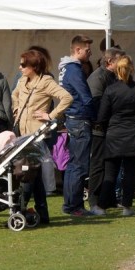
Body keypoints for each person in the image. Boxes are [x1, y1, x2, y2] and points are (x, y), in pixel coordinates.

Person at [12, 49, 73, 223]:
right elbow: (14, 94)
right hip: (23, 134)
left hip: (37, 136)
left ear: (34, 66)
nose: (20, 67)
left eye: (24, 65)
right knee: (35, 174)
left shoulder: (46, 81)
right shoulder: (23, 80)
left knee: (28, 173)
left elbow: (66, 98)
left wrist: (51, 115)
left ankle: (19, 208)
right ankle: (43, 213)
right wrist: (17, 110)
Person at [96, 56, 135, 217]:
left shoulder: (111, 90)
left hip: (114, 134)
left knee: (110, 173)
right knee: (130, 172)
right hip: (134, 133)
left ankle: (101, 206)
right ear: (132, 69)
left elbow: (102, 116)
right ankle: (127, 206)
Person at [58, 35, 95, 216]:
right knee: (79, 165)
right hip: (80, 118)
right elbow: (85, 96)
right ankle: (75, 206)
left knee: (73, 164)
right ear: (77, 50)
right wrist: (95, 116)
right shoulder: (74, 70)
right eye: (87, 50)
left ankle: (70, 204)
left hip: (72, 118)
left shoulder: (65, 69)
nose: (90, 53)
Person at [86, 47, 125, 215]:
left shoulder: (114, 77)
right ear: (110, 62)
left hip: (113, 128)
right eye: (120, 60)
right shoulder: (97, 78)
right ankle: (94, 201)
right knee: (98, 165)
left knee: (112, 164)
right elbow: (96, 104)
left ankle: (108, 199)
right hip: (100, 128)